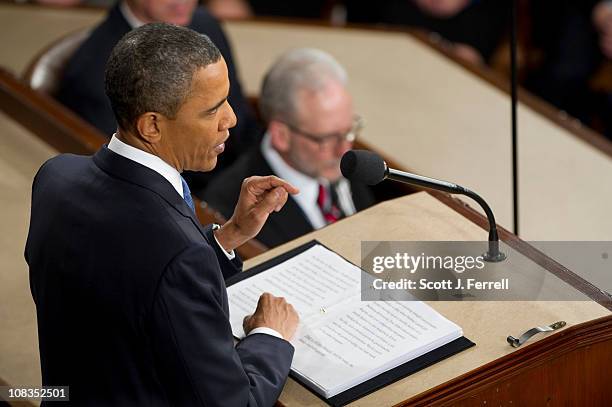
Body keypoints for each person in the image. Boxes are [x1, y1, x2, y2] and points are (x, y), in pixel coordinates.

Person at [26, 23, 299, 406]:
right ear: (151, 125)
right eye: (213, 109)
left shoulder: (55, 177)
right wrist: (270, 337)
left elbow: (130, 283)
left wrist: (228, 236)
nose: (232, 119)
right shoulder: (176, 252)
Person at [56, 0, 260, 192]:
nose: (183, 1)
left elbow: (241, 122)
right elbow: (128, 176)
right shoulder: (92, 71)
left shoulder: (204, 23)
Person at [202, 48, 375, 248]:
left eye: (350, 129)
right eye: (326, 139)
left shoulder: (346, 166)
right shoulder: (231, 212)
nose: (344, 149)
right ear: (281, 136)